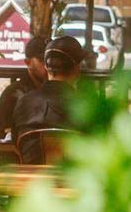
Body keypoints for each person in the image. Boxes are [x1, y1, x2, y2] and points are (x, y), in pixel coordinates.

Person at [12, 34, 85, 163]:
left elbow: (15, 141)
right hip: (73, 180)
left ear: (46, 67)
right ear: (77, 68)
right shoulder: (85, 106)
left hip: (30, 178)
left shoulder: (24, 102)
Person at [0, 35, 48, 155]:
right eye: (42, 60)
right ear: (28, 63)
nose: (48, 65)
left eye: (51, 59)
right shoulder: (12, 94)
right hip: (21, 163)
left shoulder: (56, 92)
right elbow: (5, 139)